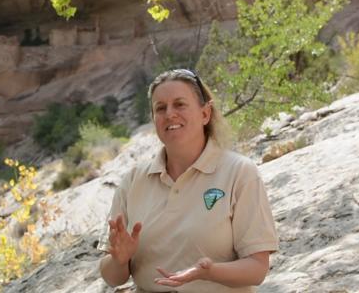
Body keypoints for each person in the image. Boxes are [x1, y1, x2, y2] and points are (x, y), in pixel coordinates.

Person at [98, 69, 279, 292]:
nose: (170, 114)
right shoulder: (133, 180)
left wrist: (210, 272)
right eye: (160, 108)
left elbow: (257, 269)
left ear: (205, 114)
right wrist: (119, 260)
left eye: (180, 104)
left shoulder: (240, 172)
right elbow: (112, 277)